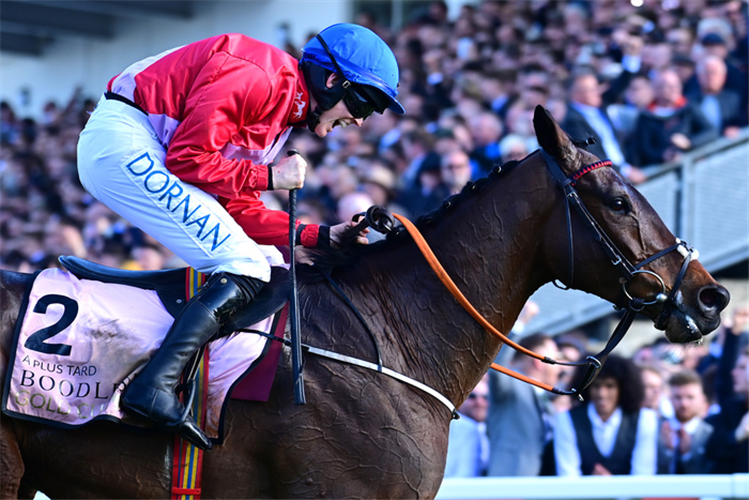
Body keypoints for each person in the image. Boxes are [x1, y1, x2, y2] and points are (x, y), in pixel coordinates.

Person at [76, 24, 405, 450]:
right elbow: (188, 159)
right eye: (365, 102)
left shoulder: (282, 116)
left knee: (268, 264)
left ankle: (174, 378)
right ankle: (153, 385)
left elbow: (239, 208)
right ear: (331, 80)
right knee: (245, 264)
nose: (360, 119)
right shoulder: (257, 73)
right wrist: (272, 175)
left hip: (144, 146)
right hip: (123, 141)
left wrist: (319, 236)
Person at [554, 355, 658, 476]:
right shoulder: (566, 419)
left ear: (622, 388)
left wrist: (611, 487)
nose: (602, 394)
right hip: (583, 495)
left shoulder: (644, 419)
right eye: (596, 386)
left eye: (610, 386)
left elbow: (643, 475)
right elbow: (568, 475)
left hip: (630, 495)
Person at [487, 333, 561, 476]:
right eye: (556, 358)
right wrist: (519, 324)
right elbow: (496, 369)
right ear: (538, 361)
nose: (560, 367)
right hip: (508, 486)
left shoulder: (547, 402)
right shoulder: (512, 386)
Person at [627, 68, 718, 166]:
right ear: (657, 89)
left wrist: (689, 143)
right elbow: (644, 148)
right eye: (668, 86)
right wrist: (662, 155)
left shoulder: (688, 107)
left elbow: (711, 131)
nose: (674, 90)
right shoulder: (646, 116)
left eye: (676, 86)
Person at [657, 370, 713, 474]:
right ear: (669, 399)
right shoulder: (657, 429)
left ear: (702, 399)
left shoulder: (710, 433)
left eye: (690, 397)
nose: (684, 404)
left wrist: (687, 456)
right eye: (678, 397)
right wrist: (668, 452)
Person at [444, 374, 490, 477]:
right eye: (472, 397)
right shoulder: (450, 429)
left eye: (485, 397)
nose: (479, 402)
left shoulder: (493, 432)